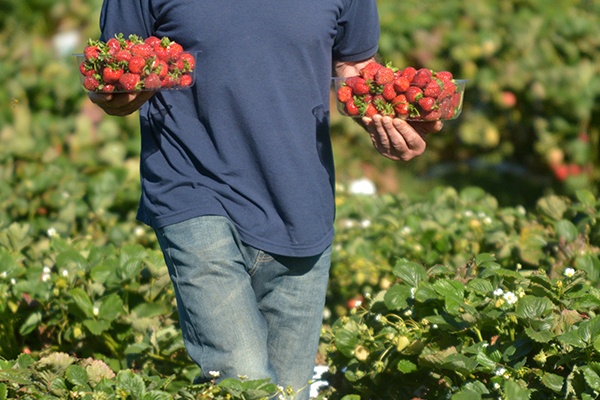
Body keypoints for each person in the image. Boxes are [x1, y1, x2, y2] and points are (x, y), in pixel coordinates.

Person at [90, 1, 442, 399]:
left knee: (289, 392)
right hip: (192, 188)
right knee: (244, 381)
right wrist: (118, 92)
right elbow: (119, 63)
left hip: (300, 199)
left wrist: (390, 119)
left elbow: (353, 66)